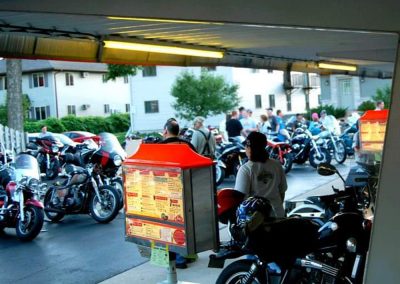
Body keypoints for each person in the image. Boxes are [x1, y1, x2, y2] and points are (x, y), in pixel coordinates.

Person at [158, 118, 196, 269]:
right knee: (184, 223)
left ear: (165, 131)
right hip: (186, 192)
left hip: (165, 193)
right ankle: (185, 254)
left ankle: (175, 257)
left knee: (167, 224)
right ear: (178, 132)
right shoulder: (188, 145)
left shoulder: (159, 147)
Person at [234, 132, 287, 218]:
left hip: (257, 222)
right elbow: (282, 192)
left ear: (250, 148)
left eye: (246, 146)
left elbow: (240, 198)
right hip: (279, 215)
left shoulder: (246, 169)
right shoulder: (276, 165)